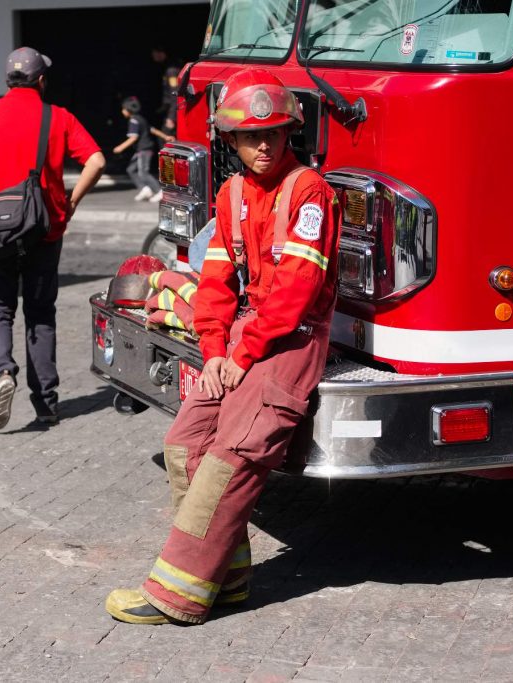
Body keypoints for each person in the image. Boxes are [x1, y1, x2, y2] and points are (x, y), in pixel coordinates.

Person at [105, 68, 340, 625]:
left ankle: (177, 595)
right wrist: (213, 352)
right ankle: (227, 580)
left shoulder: (309, 192)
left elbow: (294, 294)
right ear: (230, 140)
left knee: (231, 460)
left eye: (275, 134)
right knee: (184, 443)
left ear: (290, 136)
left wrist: (238, 357)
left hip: (290, 343)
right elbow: (214, 283)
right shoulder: (233, 193)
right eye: (251, 136)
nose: (264, 145)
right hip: (240, 339)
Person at [0, 47, 106, 430]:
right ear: (41, 80)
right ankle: (46, 403)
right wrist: (70, 201)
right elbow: (97, 161)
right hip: (43, 228)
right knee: (40, 313)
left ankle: (2, 374)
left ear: (8, 80)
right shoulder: (59, 117)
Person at [112, 96, 169, 203]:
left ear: (129, 110)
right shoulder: (141, 118)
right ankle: (145, 189)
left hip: (144, 149)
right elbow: (152, 129)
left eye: (123, 109)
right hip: (142, 149)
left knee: (143, 172)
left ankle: (160, 191)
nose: (122, 111)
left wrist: (120, 148)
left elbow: (133, 137)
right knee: (131, 169)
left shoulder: (133, 120)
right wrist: (165, 137)